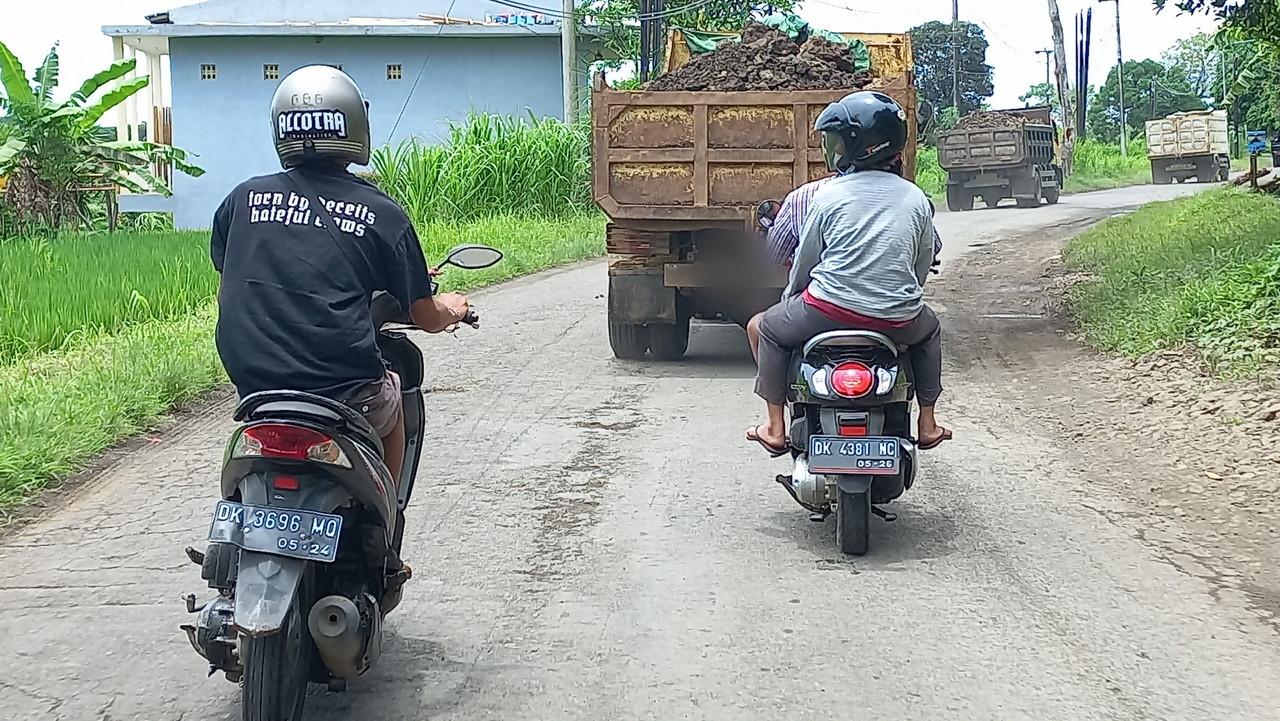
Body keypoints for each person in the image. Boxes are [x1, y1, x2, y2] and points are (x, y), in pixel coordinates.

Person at [210, 65, 471, 488]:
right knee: (392, 406)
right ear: (354, 125)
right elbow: (425, 315)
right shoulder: (381, 213)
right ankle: (384, 536)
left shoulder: (241, 199)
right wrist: (453, 309)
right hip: (342, 385)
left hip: (254, 382)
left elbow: (245, 273)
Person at [746, 91, 952, 456]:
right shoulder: (916, 198)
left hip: (827, 312)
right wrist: (903, 297)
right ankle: (927, 422)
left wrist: (789, 300)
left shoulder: (828, 195)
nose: (833, 149)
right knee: (930, 330)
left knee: (768, 329)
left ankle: (775, 427)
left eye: (838, 141)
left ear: (860, 146)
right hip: (900, 318)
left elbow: (806, 263)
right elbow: (920, 265)